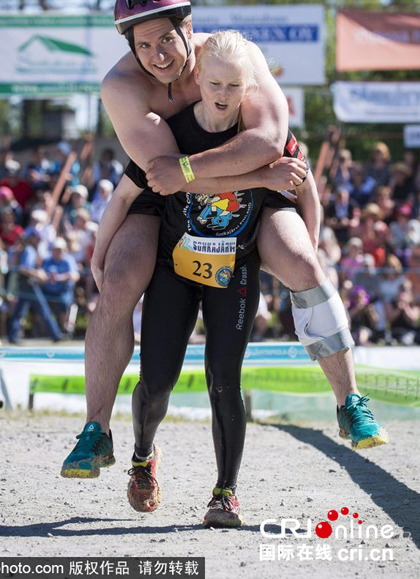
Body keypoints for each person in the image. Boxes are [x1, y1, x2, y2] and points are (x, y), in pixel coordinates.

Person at [60, 0, 387, 486]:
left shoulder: (234, 55)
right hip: (173, 194)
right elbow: (162, 178)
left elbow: (271, 141)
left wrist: (242, 178)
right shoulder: (121, 86)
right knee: (118, 282)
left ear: (188, 28)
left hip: (251, 183)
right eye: (143, 45)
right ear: (129, 46)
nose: (157, 56)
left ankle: (350, 400)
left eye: (166, 40)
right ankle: (96, 428)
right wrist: (244, 172)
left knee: (304, 263)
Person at [84, 30, 307, 526]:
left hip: (235, 270)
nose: (223, 94)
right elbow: (125, 193)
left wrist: (309, 243)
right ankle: (143, 456)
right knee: (157, 381)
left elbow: (302, 180)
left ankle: (225, 493)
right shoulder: (170, 133)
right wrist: (100, 254)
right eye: (214, 84)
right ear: (198, 78)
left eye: (234, 86)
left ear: (249, 86)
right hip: (175, 270)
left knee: (225, 380)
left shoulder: (262, 134)